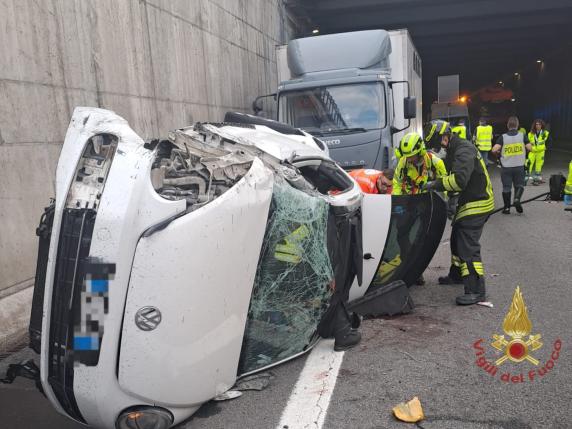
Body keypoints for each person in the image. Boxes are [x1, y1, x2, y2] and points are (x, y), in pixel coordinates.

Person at [423, 120, 494, 305]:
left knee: (466, 245)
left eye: (437, 146)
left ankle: (476, 290)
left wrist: (434, 185)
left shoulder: (464, 150)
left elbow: (459, 180)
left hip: (479, 201)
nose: (437, 150)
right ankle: (457, 275)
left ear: (445, 139)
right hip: (469, 200)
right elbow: (447, 170)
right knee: (456, 237)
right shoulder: (454, 150)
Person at [392, 132, 447, 285]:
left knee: (421, 239)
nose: (409, 159)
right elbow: (397, 182)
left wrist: (446, 204)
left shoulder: (435, 163)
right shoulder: (403, 162)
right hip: (409, 203)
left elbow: (445, 184)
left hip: (427, 205)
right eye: (407, 156)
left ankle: (418, 271)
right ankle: (408, 268)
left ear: (420, 151)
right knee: (401, 236)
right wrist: (397, 203)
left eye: (412, 156)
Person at [491, 116, 531, 214]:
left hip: (506, 167)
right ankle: (517, 199)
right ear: (517, 125)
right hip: (519, 166)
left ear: (508, 125)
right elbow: (530, 148)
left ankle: (507, 208)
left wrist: (498, 154)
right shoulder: (522, 135)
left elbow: (494, 149)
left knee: (506, 187)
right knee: (519, 185)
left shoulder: (503, 137)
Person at [527, 119, 550, 185]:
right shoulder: (530, 133)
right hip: (532, 151)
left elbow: (550, 141)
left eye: (539, 124)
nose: (538, 126)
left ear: (542, 125)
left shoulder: (545, 133)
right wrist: (528, 147)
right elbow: (526, 141)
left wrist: (546, 147)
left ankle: (536, 180)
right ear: (534, 125)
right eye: (536, 124)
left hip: (540, 152)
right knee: (528, 163)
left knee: (538, 166)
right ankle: (525, 178)